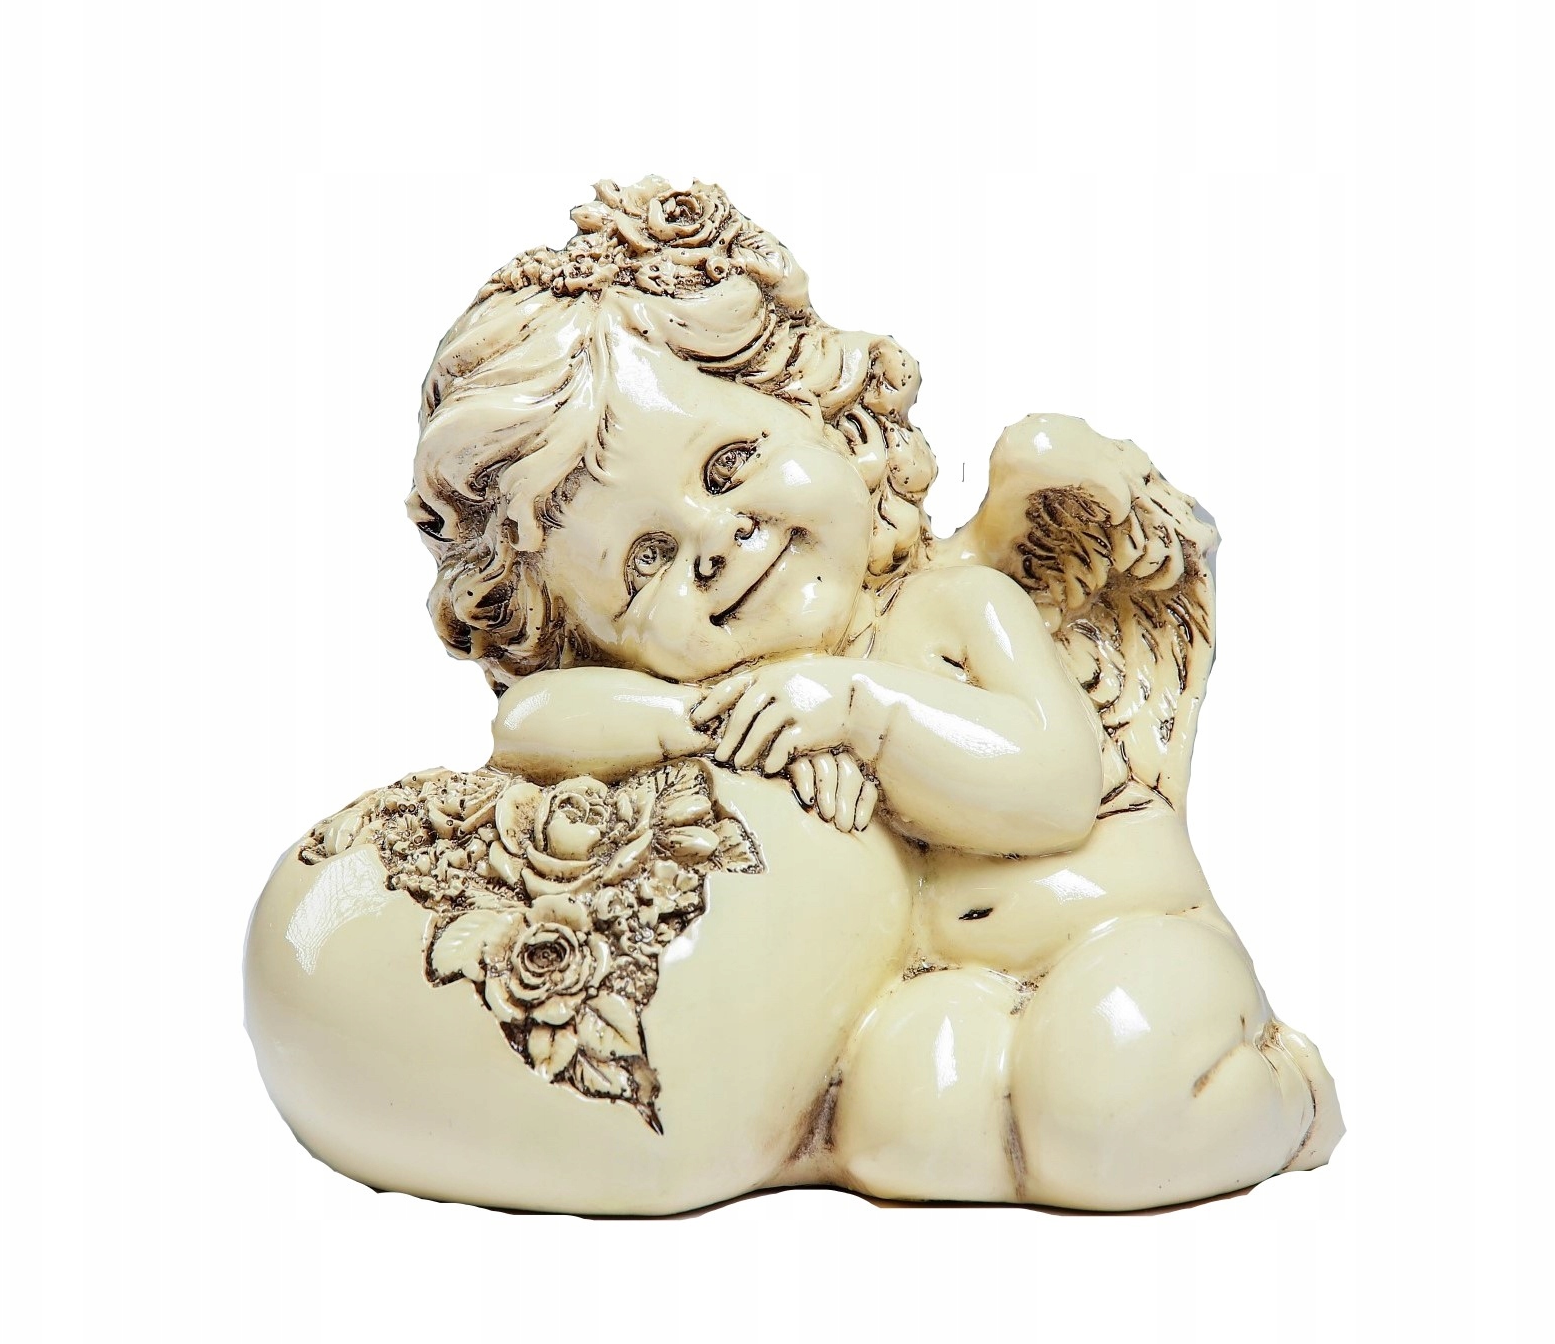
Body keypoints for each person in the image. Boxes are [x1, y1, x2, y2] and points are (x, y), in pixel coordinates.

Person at [248, 177, 1340, 1212]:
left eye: (727, 464)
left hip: (1123, 947)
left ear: (825, 414)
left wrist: (861, 710)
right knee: (906, 1120)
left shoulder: (954, 607)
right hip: (960, 998)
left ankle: (1288, 1093)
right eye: (645, 562)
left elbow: (1052, 786)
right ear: (599, 639)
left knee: (1102, 1105)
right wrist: (700, 722)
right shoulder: (748, 701)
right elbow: (529, 720)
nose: (718, 541)